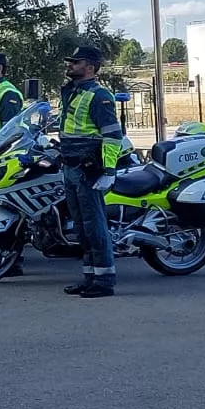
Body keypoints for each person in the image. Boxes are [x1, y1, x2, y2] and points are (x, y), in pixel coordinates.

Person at [59, 46, 124, 299]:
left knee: (94, 226)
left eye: (76, 62)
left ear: (90, 67)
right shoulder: (73, 92)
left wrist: (108, 170)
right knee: (82, 228)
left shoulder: (99, 96)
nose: (70, 65)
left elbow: (113, 137)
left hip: (88, 170)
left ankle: (105, 281)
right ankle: (89, 277)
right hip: (71, 167)